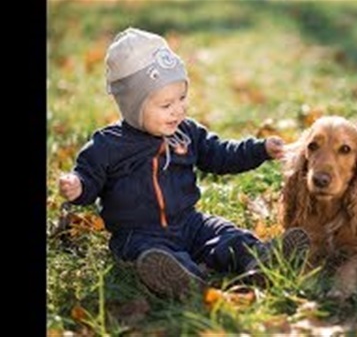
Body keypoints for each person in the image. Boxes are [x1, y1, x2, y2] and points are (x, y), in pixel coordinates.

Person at [57, 27, 310, 299]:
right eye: (166, 105)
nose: (178, 110)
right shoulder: (109, 145)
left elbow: (220, 154)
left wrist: (258, 150)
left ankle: (258, 259)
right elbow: (90, 177)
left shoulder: (186, 132)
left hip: (189, 222)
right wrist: (78, 186)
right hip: (139, 234)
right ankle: (181, 277)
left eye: (182, 98)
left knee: (223, 232)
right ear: (132, 106)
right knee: (152, 254)